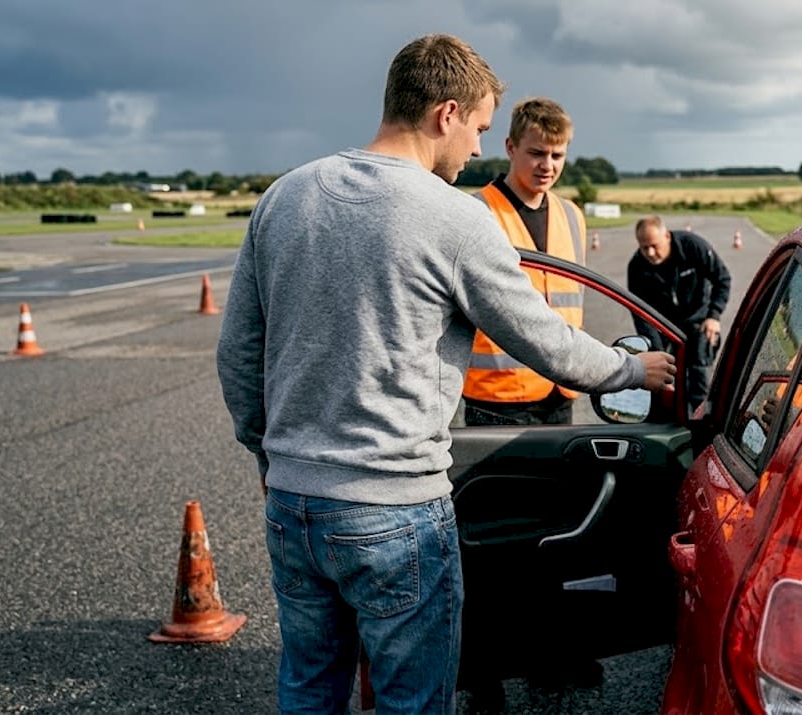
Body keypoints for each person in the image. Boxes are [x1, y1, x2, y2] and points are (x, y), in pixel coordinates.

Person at [215, 34, 676, 715]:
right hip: (395, 509)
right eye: (481, 129)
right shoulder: (454, 217)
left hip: (292, 506)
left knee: (310, 685)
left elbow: (238, 355)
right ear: (445, 114)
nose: (479, 150)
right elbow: (544, 340)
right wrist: (632, 367)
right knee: (413, 699)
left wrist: (266, 451)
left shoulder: (285, 197)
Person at [462, 97, 585, 427]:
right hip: (499, 399)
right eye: (536, 153)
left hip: (561, 390)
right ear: (511, 147)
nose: (548, 165)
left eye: (557, 155)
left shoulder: (573, 216)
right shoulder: (477, 214)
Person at [628, 216, 732, 415]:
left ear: (666, 236)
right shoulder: (637, 267)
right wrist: (656, 352)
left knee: (698, 378)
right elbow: (640, 314)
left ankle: (700, 425)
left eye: (654, 245)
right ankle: (670, 425)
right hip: (664, 326)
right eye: (644, 247)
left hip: (698, 322)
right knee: (662, 380)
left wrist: (714, 316)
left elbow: (722, 279)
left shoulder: (693, 246)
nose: (649, 253)